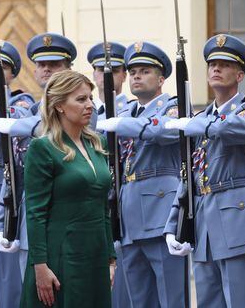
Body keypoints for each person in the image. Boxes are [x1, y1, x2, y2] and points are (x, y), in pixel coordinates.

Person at [163, 34, 245, 307]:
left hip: (237, 219)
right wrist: (172, 224)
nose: (215, 70)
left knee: (241, 301)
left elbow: (237, 128)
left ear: (239, 74)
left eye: (224, 65)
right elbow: (190, 175)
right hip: (204, 224)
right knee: (208, 301)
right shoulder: (200, 120)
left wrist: (200, 125)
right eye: (212, 65)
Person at [96, 41, 185, 308]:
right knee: (139, 299)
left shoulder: (174, 106)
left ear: (161, 78)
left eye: (145, 71)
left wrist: (123, 124)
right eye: (132, 71)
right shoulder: (123, 112)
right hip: (129, 214)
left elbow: (166, 130)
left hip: (160, 214)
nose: (136, 75)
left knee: (171, 298)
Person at [20, 70, 116, 307]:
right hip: (62, 254)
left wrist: (110, 258)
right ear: (60, 105)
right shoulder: (43, 148)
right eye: (81, 99)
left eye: (90, 98)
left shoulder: (97, 143)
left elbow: (103, 206)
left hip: (95, 253)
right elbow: (35, 212)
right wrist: (39, 266)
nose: (90, 105)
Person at [0, 33, 77, 280]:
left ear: (68, 68)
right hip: (31, 223)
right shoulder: (28, 113)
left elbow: (54, 124)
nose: (46, 69)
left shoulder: (82, 105)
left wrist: (15, 125)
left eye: (55, 64)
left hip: (69, 219)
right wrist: (1, 222)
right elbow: (14, 172)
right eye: (41, 64)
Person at [87, 41, 131, 308]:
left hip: (123, 204)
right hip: (92, 203)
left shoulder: (133, 111)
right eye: (100, 69)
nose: (106, 75)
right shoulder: (85, 112)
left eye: (113, 70)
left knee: (124, 291)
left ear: (123, 75)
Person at [0, 39, 31, 308]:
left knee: (8, 284)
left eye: (1, 66)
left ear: (12, 73)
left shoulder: (21, 101)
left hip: (0, 192)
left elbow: (10, 119)